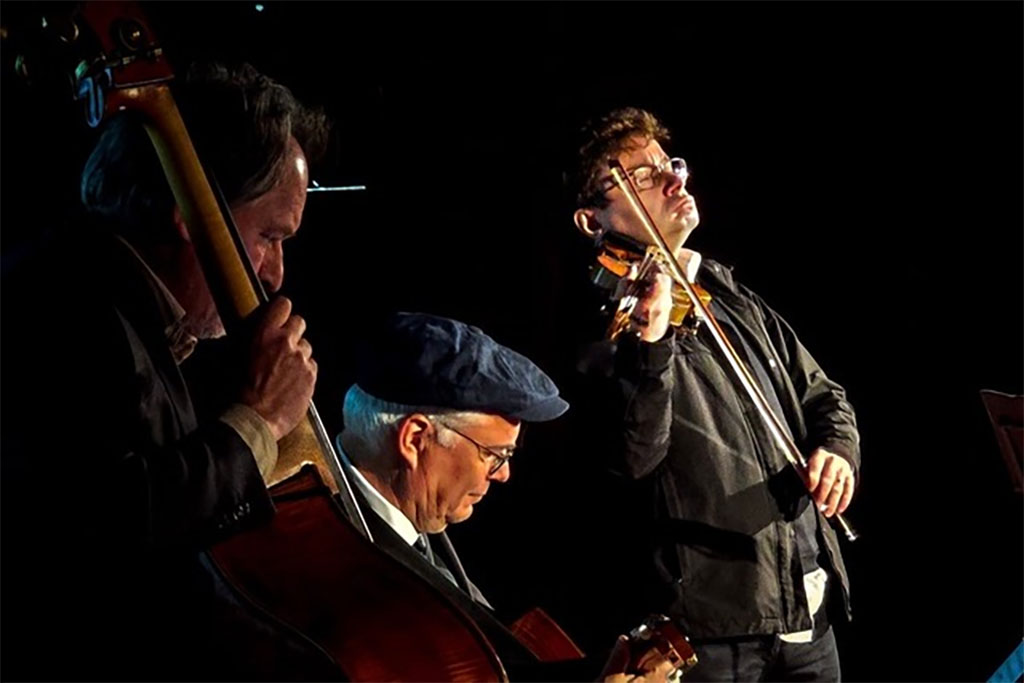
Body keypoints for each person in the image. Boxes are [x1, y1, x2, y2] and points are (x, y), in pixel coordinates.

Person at [1, 62, 332, 680]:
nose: (275, 273)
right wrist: (258, 421)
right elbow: (102, 528)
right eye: (269, 235)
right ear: (192, 212)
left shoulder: (135, 320)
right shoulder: (63, 309)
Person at [558, 107, 861, 681]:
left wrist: (838, 452)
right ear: (590, 219)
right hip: (711, 637)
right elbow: (635, 457)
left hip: (809, 609)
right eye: (643, 176)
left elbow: (824, 396)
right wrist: (652, 348)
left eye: (668, 165)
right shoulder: (603, 331)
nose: (675, 182)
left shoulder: (726, 292)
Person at [334, 311, 679, 682]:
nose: (503, 474)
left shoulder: (414, 533)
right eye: (494, 454)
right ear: (415, 439)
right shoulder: (343, 569)